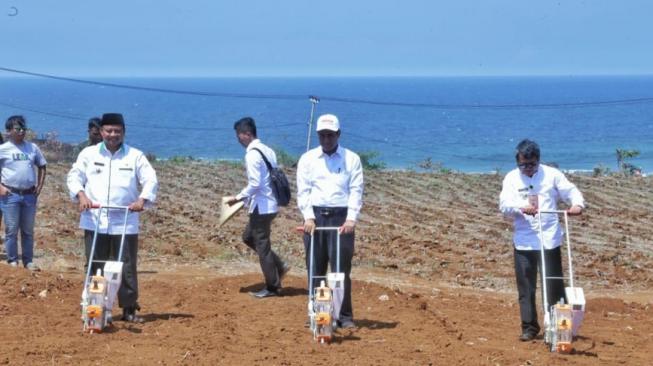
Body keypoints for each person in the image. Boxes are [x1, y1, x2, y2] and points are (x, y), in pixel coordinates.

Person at [67, 113, 158, 322]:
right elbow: (74, 176)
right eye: (109, 130)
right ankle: (94, 308)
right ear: (101, 132)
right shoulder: (88, 154)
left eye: (117, 131)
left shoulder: (135, 156)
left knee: (125, 266)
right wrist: (81, 195)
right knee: (95, 264)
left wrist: (142, 201)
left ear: (123, 132)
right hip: (95, 219)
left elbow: (150, 179)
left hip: (124, 221)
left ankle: (128, 309)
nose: (113, 135)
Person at [499, 139, 584, 342]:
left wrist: (577, 205)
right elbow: (504, 205)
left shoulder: (552, 175)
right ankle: (529, 327)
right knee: (526, 287)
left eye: (531, 164)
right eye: (523, 164)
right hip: (524, 241)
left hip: (549, 239)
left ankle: (557, 327)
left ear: (538, 160)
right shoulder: (511, 178)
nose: (527, 168)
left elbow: (570, 191)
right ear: (517, 162)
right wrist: (521, 206)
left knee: (554, 285)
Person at [296, 114, 364, 329]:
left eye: (330, 135)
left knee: (340, 270)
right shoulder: (307, 159)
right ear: (318, 135)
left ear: (338, 134)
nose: (326, 139)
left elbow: (356, 190)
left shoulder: (351, 159)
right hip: (315, 219)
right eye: (323, 135)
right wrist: (308, 216)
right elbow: (303, 191)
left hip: (341, 217)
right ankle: (317, 314)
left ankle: (344, 316)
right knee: (315, 268)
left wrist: (351, 219)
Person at [227, 117, 290, 299]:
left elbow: (255, 183)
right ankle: (279, 266)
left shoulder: (252, 154)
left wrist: (237, 198)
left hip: (262, 207)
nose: (238, 140)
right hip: (269, 204)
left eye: (239, 135)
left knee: (262, 245)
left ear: (247, 134)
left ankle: (273, 286)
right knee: (248, 237)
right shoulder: (267, 150)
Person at [0, 116, 47, 270]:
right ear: (9, 131)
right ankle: (12, 261)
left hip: (28, 196)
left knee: (27, 230)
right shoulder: (3, 149)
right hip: (10, 195)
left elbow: (42, 166)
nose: (21, 132)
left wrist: (39, 187)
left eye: (23, 129)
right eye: (17, 129)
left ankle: (28, 261)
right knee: (11, 230)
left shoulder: (32, 148)